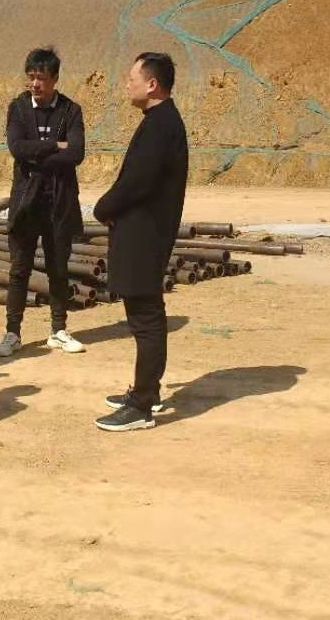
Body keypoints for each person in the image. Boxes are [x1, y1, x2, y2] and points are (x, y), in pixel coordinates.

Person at [92, 52, 188, 432]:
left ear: (152, 84)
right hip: (145, 232)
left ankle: (142, 405)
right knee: (145, 316)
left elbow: (137, 182)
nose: (127, 85)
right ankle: (148, 391)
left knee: (146, 319)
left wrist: (103, 207)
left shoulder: (161, 125)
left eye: (132, 79)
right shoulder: (160, 121)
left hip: (146, 235)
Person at [0, 47, 87, 358]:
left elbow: (76, 153)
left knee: (58, 268)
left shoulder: (71, 110)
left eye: (42, 78)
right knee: (19, 269)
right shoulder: (18, 108)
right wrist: (54, 145)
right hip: (26, 201)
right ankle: (12, 332)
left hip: (59, 201)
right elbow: (17, 148)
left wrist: (38, 155)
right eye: (31, 77)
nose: (35, 84)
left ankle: (58, 330)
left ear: (55, 79)